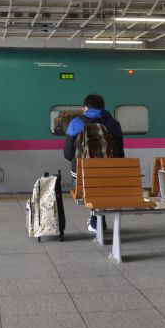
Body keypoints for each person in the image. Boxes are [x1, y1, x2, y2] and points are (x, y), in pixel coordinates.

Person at [63, 94, 124, 234]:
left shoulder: (76, 123)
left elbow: (67, 154)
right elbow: (120, 153)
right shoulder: (114, 124)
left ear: (85, 108)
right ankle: (97, 219)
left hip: (81, 175)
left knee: (88, 181)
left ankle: (96, 221)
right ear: (103, 108)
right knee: (101, 182)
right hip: (109, 174)